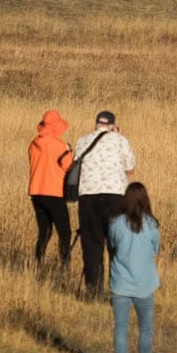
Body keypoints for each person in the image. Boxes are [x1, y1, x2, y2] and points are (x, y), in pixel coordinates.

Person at [73, 111, 136, 295]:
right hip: (115, 197)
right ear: (113, 125)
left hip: (87, 197)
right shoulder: (119, 140)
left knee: (92, 244)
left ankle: (93, 290)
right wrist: (118, 136)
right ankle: (117, 290)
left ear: (96, 125)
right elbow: (130, 168)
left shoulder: (82, 141)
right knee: (116, 245)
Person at [108, 182, 164, 353]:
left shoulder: (115, 223)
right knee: (145, 329)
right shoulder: (151, 224)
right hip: (144, 284)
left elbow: (112, 245)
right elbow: (155, 249)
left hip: (120, 283)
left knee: (120, 328)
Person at [27, 110, 73, 269]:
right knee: (65, 233)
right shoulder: (59, 146)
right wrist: (69, 150)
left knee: (44, 232)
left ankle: (37, 263)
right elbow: (69, 166)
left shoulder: (33, 144)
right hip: (54, 193)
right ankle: (65, 266)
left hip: (36, 193)